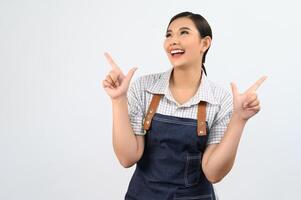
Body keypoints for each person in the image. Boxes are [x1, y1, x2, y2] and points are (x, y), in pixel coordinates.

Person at [102, 11, 266, 200]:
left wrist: (239, 119)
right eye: (169, 34)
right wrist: (118, 99)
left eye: (184, 32)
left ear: (204, 43)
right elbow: (127, 157)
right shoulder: (144, 88)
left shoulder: (220, 100)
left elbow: (213, 172)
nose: (173, 40)